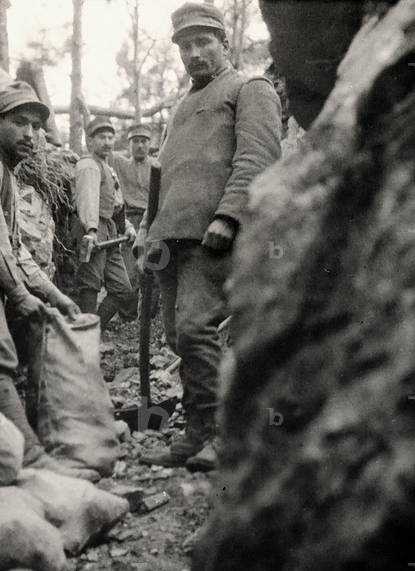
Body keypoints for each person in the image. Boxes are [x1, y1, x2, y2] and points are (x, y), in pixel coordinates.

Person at [134, 1, 282, 471]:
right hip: (171, 237)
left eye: (204, 42)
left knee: (198, 329)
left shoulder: (248, 87)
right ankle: (199, 431)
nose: (194, 53)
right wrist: (145, 232)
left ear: (224, 43)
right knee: (180, 338)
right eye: (185, 45)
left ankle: (223, 435)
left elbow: (258, 156)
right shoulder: (181, 107)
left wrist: (230, 215)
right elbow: (161, 177)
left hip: (213, 233)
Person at [0, 81, 98, 481]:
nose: (31, 135)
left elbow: (15, 247)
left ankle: (27, 451)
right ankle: (30, 459)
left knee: (5, 357)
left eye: (38, 126)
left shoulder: (2, 168)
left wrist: (53, 294)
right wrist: (19, 295)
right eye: (20, 123)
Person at [73, 117, 136, 326]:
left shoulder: (107, 168)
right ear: (89, 141)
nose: (107, 142)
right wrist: (91, 230)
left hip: (109, 230)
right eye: (102, 137)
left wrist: (126, 226)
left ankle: (94, 330)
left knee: (123, 289)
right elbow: (87, 199)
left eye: (110, 137)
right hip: (92, 227)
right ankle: (85, 340)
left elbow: (117, 203)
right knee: (90, 283)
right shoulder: (89, 165)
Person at [110, 124, 159, 319]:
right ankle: (128, 316)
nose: (140, 146)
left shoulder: (157, 165)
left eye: (144, 141)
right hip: (129, 220)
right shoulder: (120, 163)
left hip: (152, 220)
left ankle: (148, 315)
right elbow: (98, 148)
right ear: (129, 144)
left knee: (154, 268)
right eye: (135, 141)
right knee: (129, 272)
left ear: (150, 144)